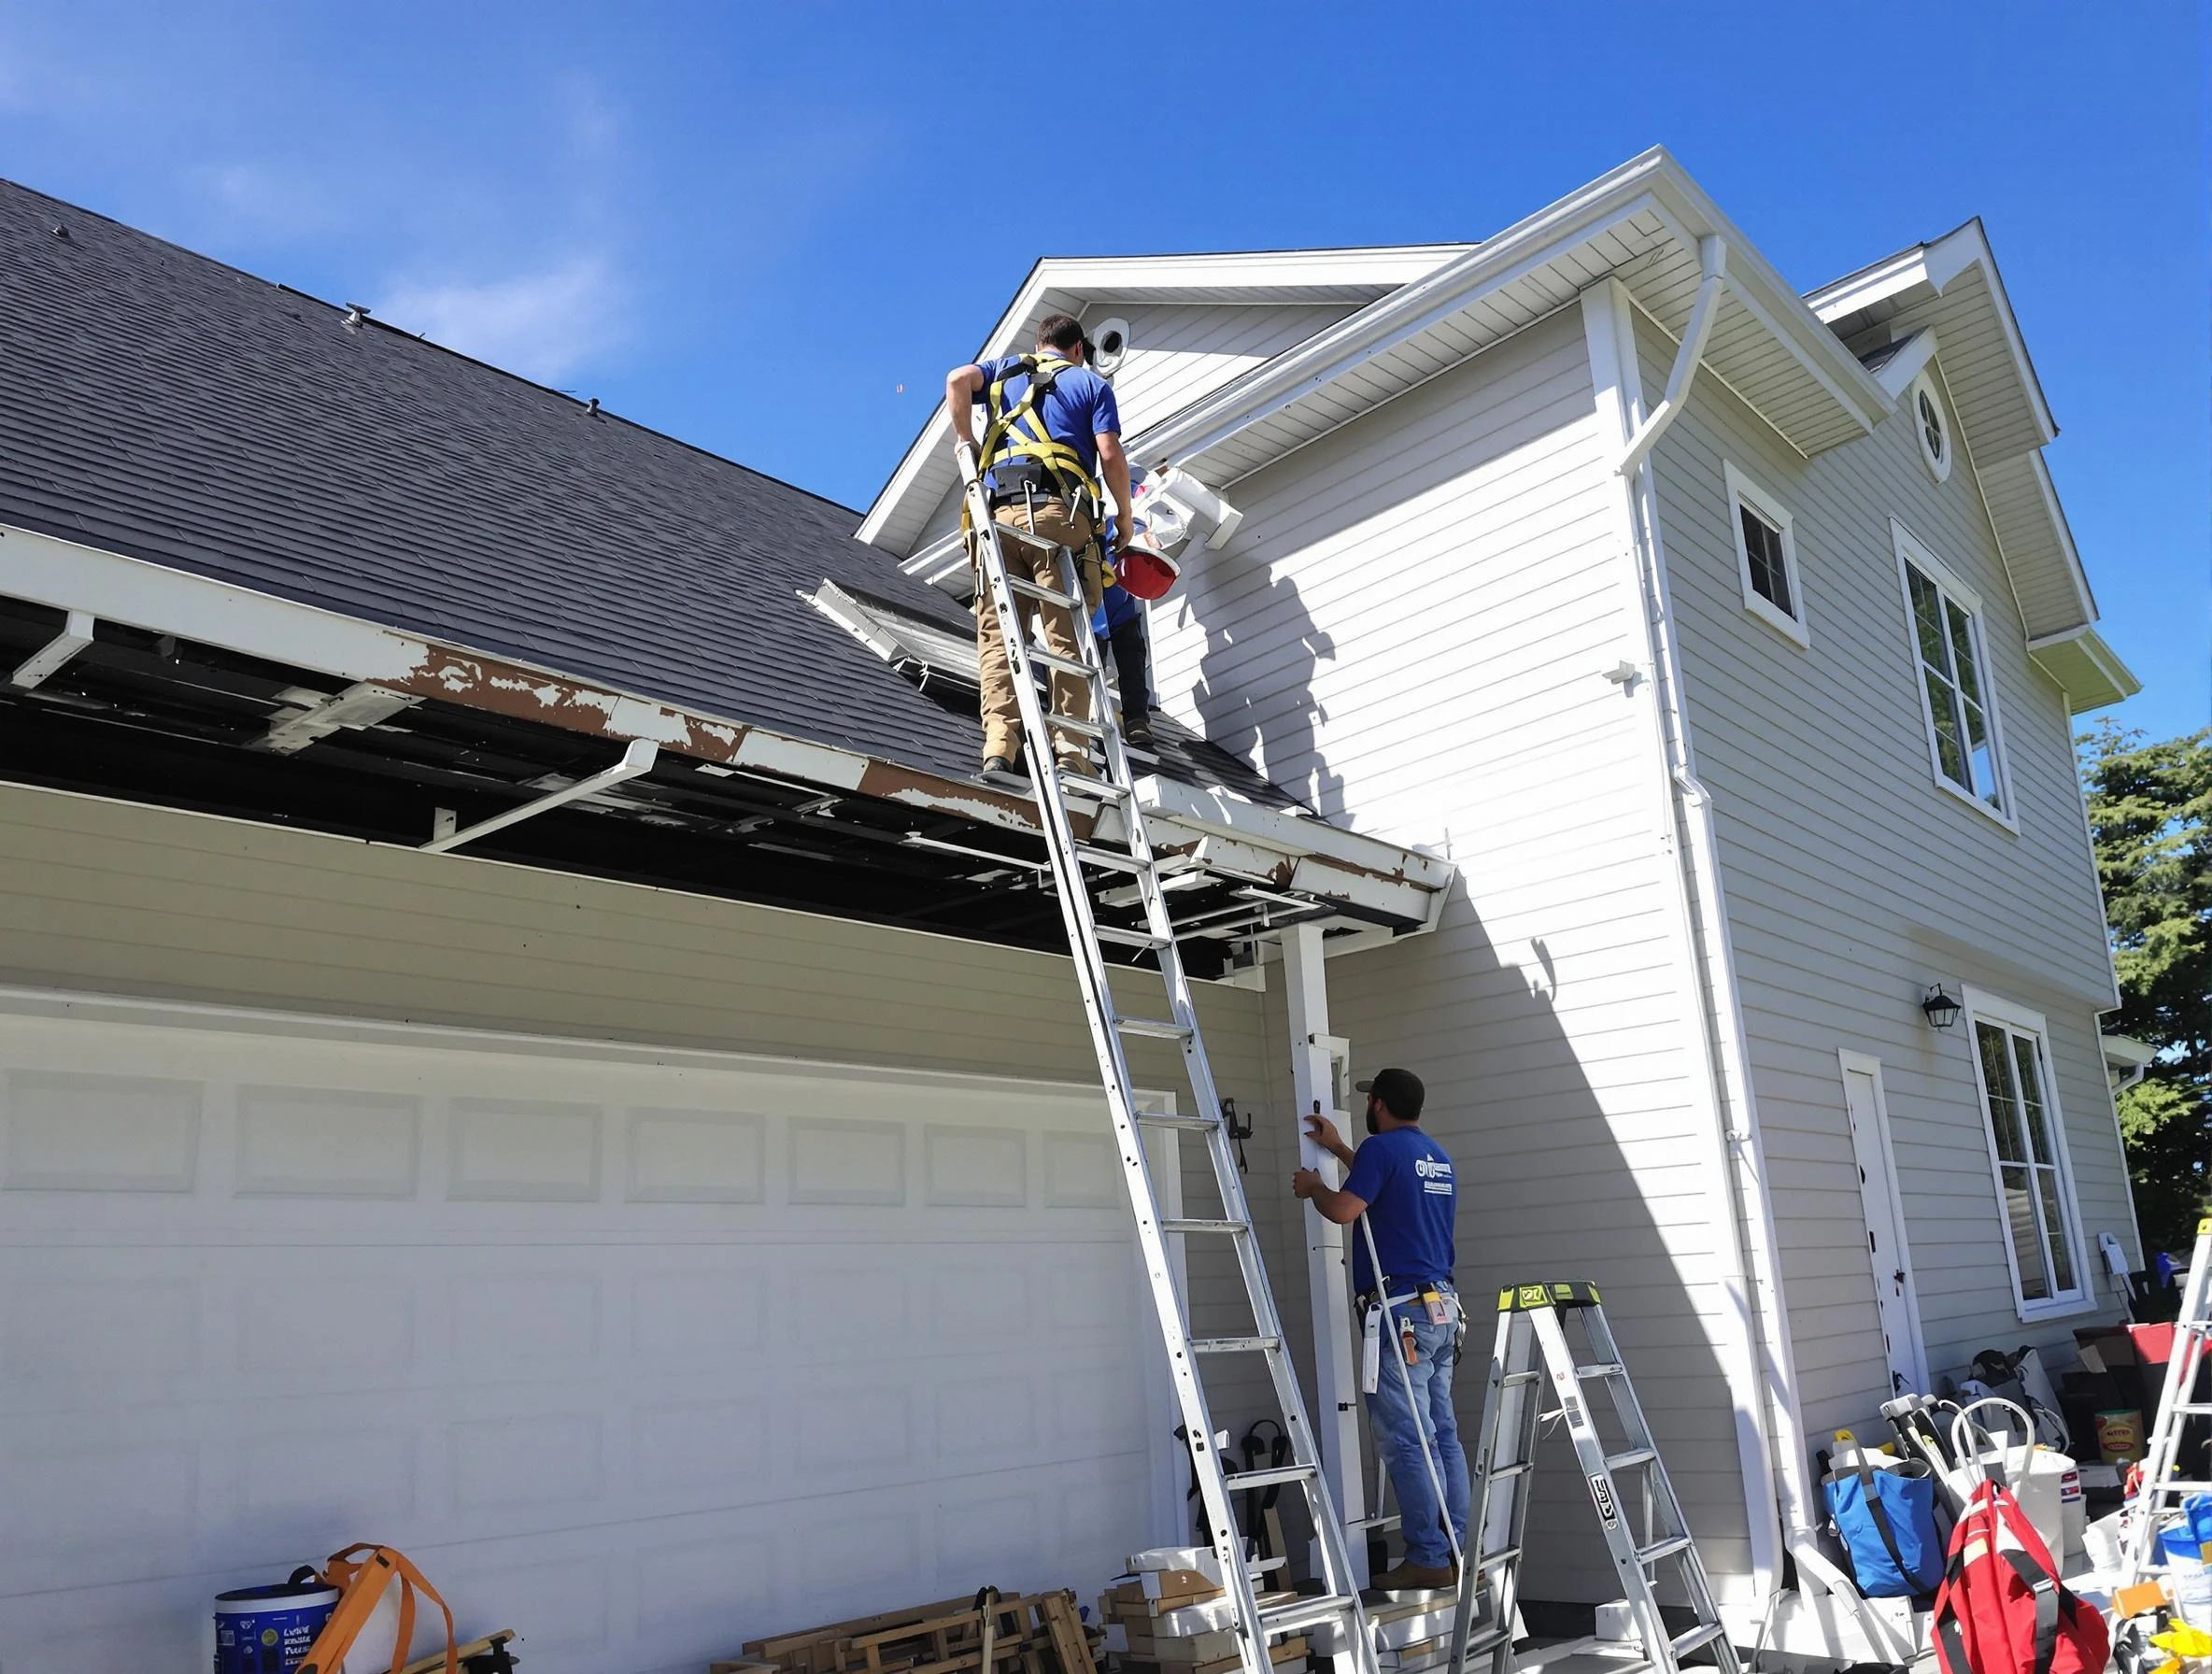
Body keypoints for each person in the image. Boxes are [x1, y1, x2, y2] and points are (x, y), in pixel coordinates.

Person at [1292, 1067, 1468, 1592]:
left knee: (1407, 1440)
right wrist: (1343, 1149)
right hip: (1441, 1309)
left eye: (1372, 1100)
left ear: (1381, 1106)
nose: (1369, 1105)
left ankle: (1428, 1558)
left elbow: (1346, 1210)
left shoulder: (1380, 1151)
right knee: (1443, 1436)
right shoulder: (1436, 1157)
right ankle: (1457, 1548)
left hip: (1401, 1313)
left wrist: (1315, 1187)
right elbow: (1385, 1187)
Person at [945, 315, 1134, 783]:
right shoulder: (1089, 385)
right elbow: (1109, 454)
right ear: (1077, 350)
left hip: (998, 519)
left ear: (1039, 344)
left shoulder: (1006, 370)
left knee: (998, 633)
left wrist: (966, 441)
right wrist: (1125, 516)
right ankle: (1071, 752)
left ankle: (999, 747)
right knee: (1066, 637)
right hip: (1058, 517)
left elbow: (955, 380)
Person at [1095, 513, 1156, 751]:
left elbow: (1152, 539)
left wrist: (1146, 531)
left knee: (1129, 642)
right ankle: (1092, 712)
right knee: (1092, 644)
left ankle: (1137, 718)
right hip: (1089, 569)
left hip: (1115, 581)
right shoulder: (1095, 488)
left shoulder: (1133, 494)